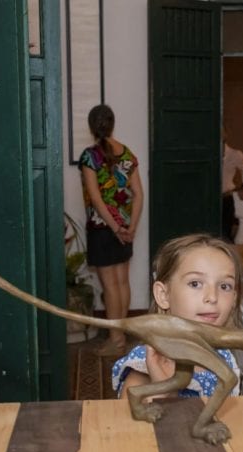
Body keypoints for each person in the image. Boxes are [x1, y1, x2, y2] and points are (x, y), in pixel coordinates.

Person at [112, 234, 243, 398]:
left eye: (224, 286)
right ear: (164, 295)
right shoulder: (147, 362)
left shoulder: (224, 356)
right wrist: (164, 390)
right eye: (195, 284)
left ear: (234, 299)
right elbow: (130, 421)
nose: (213, 297)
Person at [79, 104, 144, 355]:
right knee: (122, 282)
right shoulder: (127, 154)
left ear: (91, 127)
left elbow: (96, 199)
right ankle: (120, 338)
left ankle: (116, 340)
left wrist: (116, 227)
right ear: (112, 124)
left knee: (111, 286)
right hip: (125, 228)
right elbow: (139, 195)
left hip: (102, 228)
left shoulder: (90, 156)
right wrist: (130, 227)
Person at [221, 129, 243, 241]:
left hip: (225, 199)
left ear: (225, 137)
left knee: (225, 233)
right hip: (208, 200)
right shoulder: (209, 155)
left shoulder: (235, 154)